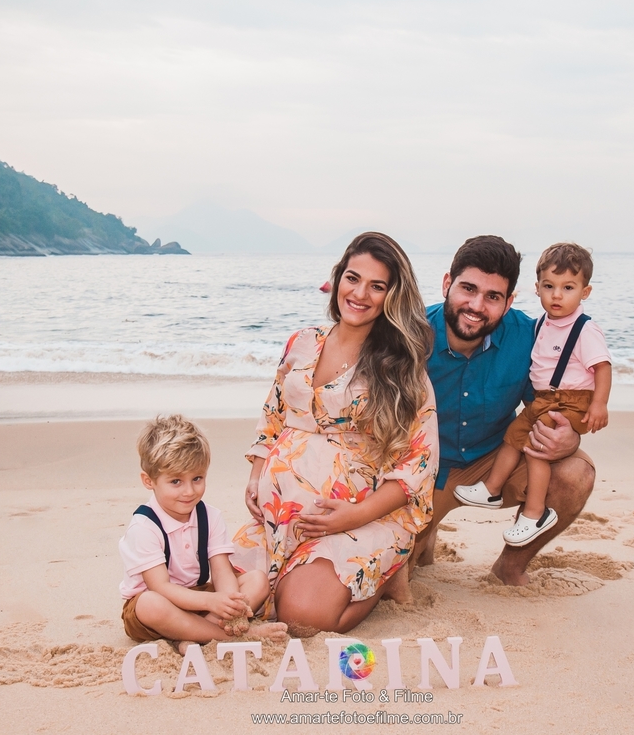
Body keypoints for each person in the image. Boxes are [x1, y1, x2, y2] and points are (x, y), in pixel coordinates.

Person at [233, 232, 438, 634]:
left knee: (301, 617)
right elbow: (273, 414)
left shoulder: (401, 368)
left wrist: (352, 516)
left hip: (358, 519)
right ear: (337, 278)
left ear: (392, 296)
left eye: (377, 286)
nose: (360, 293)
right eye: (352, 278)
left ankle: (381, 578)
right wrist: (257, 474)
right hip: (280, 517)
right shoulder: (303, 342)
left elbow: (419, 464)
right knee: (221, 591)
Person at [412, 235, 597, 585]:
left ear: (509, 301)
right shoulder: (410, 334)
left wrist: (566, 438)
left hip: (496, 459)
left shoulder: (531, 336)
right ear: (447, 283)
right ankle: (424, 537)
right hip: (425, 469)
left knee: (576, 474)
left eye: (493, 296)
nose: (477, 305)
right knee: (396, 580)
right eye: (468, 288)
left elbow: (552, 404)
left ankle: (510, 566)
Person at [454, 242, 612, 546]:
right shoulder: (538, 325)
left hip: (571, 399)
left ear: (585, 292)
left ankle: (535, 513)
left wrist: (599, 405)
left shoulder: (584, 330)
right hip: (545, 399)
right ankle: (490, 488)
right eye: (549, 286)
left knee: (536, 446)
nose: (557, 295)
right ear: (537, 288)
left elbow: (602, 367)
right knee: (514, 435)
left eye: (568, 287)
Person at [118, 414, 287, 648]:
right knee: (150, 604)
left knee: (257, 580)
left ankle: (191, 636)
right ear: (149, 481)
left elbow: (221, 571)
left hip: (199, 599)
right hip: (158, 605)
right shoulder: (144, 526)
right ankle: (229, 637)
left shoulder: (210, 516)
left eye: (197, 478)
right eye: (176, 482)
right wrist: (211, 601)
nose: (189, 491)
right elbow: (161, 587)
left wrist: (229, 604)